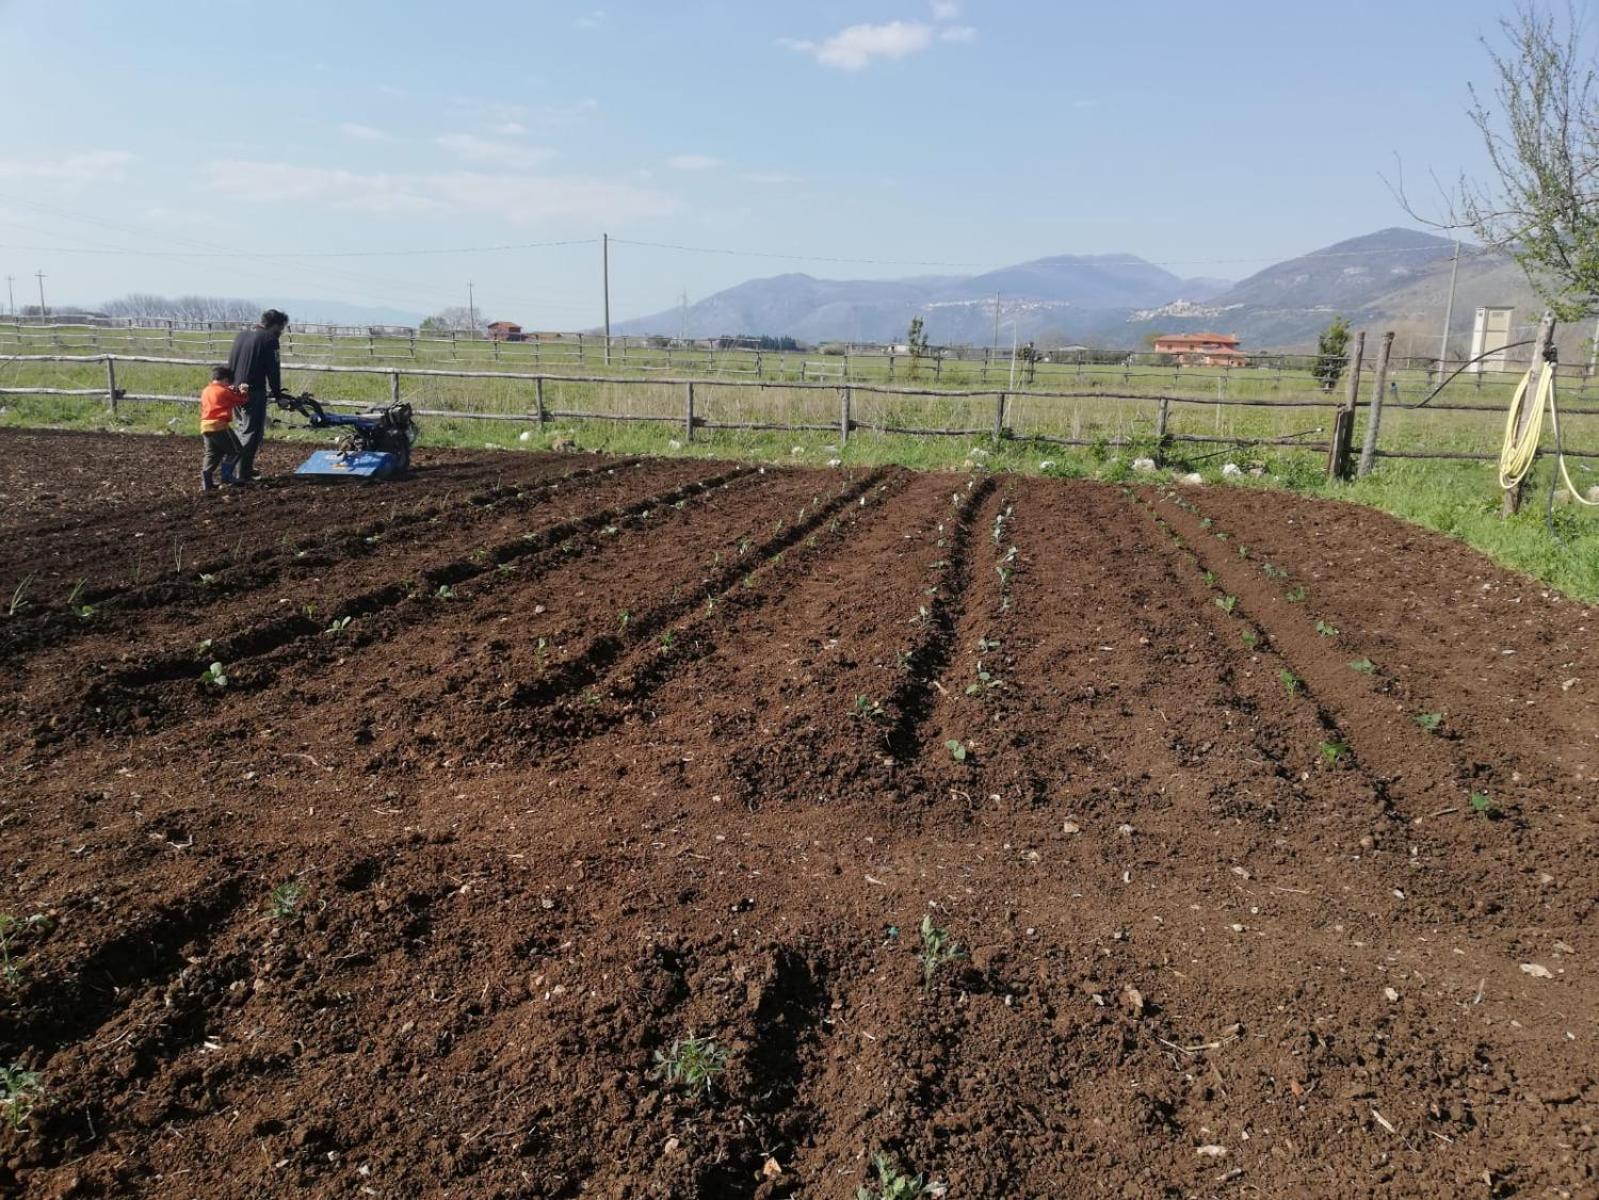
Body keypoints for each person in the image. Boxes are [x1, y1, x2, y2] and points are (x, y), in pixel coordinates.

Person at [226, 308, 289, 480]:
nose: (281, 332)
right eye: (281, 328)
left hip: (234, 389)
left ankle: (237, 468)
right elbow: (273, 370)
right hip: (253, 391)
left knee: (241, 429)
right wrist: (278, 396)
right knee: (252, 433)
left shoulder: (241, 336)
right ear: (275, 325)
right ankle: (243, 473)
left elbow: (231, 362)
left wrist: (230, 387)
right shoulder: (270, 339)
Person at [199, 366, 249, 491]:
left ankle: (207, 482)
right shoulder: (223, 391)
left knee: (212, 453)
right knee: (236, 451)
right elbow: (241, 401)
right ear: (226, 380)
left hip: (205, 425)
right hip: (219, 425)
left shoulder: (206, 390)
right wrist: (243, 391)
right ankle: (227, 476)